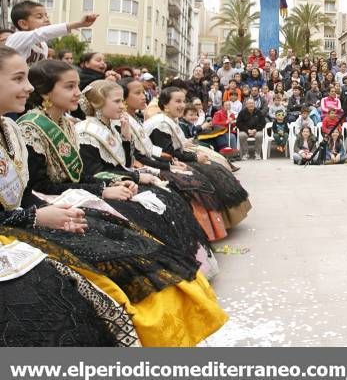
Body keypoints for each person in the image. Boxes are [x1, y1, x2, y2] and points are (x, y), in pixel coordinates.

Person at [15, 59, 226, 346]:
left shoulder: (64, 122)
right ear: (45, 93)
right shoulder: (31, 128)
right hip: (46, 204)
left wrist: (115, 178)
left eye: (78, 85)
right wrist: (106, 187)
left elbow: (99, 169)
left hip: (67, 195)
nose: (77, 93)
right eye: (70, 86)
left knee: (159, 205)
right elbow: (40, 186)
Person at [0, 48, 140, 347]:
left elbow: (24, 195)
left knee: (113, 236)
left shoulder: (10, 129)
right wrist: (38, 216)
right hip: (14, 231)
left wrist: (51, 215)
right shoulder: (29, 128)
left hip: (21, 223)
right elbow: (39, 189)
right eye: (18, 78)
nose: (27, 87)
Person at [75, 80, 214, 276]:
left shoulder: (110, 125)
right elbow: (97, 171)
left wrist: (125, 140)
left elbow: (123, 161)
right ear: (98, 103)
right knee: (157, 204)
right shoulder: (87, 131)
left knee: (170, 198)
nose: (122, 106)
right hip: (108, 185)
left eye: (122, 101)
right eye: (117, 101)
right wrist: (137, 176)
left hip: (125, 178)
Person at [118, 78, 227, 243]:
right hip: (139, 168)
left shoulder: (136, 118)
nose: (143, 96)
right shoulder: (127, 121)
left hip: (152, 161)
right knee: (191, 181)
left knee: (207, 167)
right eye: (137, 93)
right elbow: (138, 155)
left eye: (143, 92)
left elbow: (151, 149)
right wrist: (168, 164)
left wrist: (170, 160)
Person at [145, 87, 251, 230]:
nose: (182, 105)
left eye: (183, 101)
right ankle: (212, 227)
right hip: (163, 162)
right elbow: (169, 152)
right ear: (165, 105)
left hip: (173, 157)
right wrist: (195, 157)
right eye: (177, 101)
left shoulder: (169, 119)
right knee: (210, 172)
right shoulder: (161, 123)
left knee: (215, 166)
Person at [5, 0, 98, 64]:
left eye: (47, 16)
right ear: (23, 24)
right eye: (39, 17)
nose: (46, 20)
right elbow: (41, 33)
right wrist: (78, 24)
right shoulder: (16, 38)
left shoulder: (43, 45)